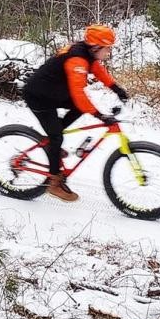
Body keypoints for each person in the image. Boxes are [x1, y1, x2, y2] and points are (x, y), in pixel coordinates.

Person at [22, 24, 129, 202]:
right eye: (108, 49)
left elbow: (97, 70)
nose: (109, 53)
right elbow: (79, 95)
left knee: (64, 124)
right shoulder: (77, 60)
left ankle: (51, 144)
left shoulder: (87, 53)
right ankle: (54, 183)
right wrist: (99, 115)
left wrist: (116, 88)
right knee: (57, 137)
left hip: (53, 92)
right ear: (96, 47)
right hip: (38, 96)